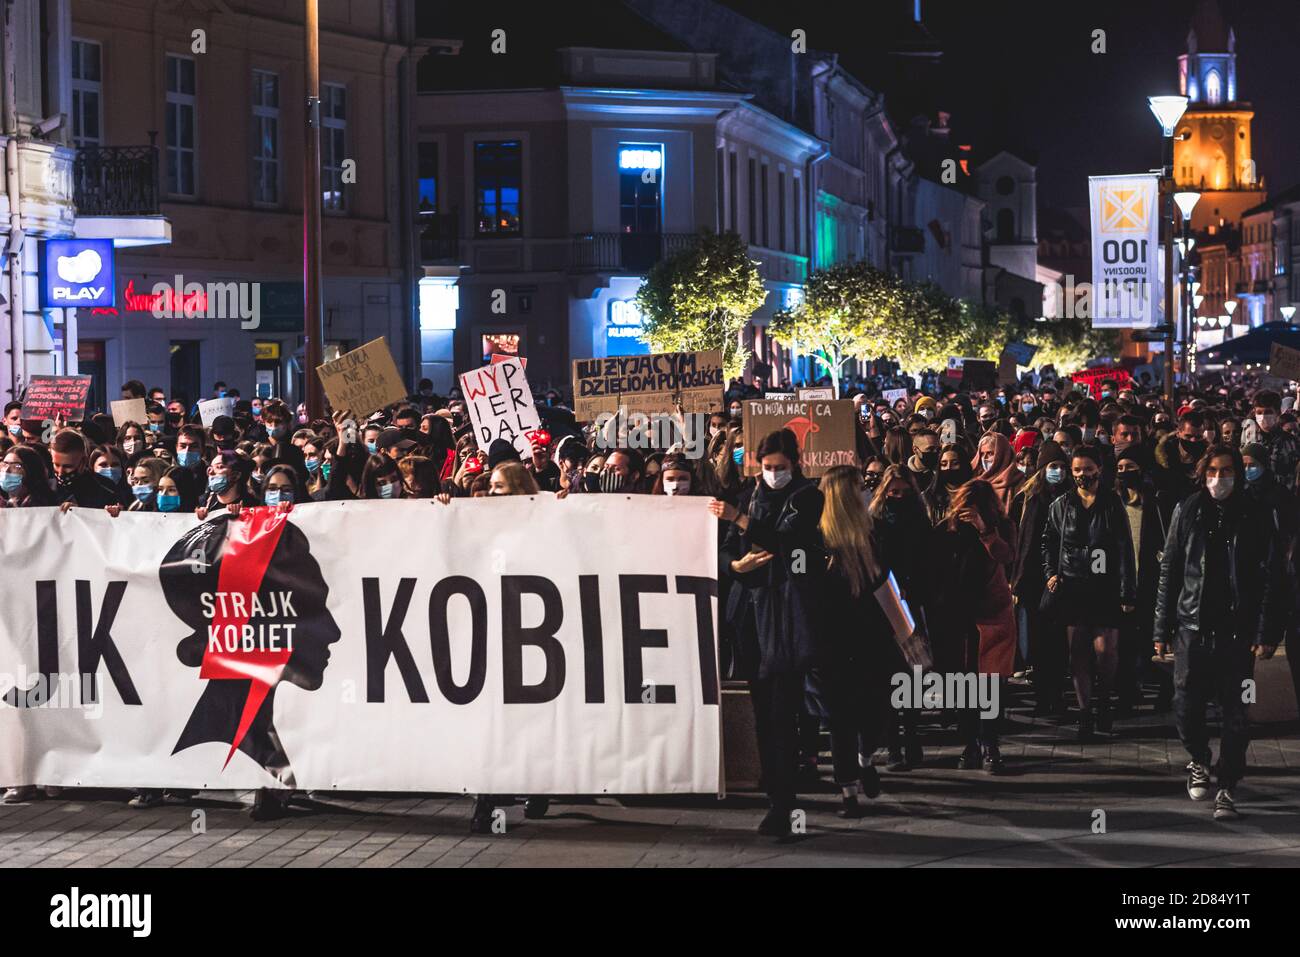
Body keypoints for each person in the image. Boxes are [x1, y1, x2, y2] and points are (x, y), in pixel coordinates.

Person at [1154, 444, 1283, 820]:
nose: (1219, 478)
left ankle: (1227, 785)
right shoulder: (1188, 509)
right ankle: (1198, 758)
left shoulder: (1257, 512)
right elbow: (1171, 569)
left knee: (1235, 713)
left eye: (1227, 471)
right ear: (1202, 471)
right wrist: (1161, 626)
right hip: (1192, 627)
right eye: (1213, 470)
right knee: (1185, 703)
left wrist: (1266, 630)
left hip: (1238, 632)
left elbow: (1273, 576)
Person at [711, 428, 825, 838]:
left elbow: (786, 541)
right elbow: (725, 547)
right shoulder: (748, 495)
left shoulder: (807, 498)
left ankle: (784, 802)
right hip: (749, 615)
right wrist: (734, 567)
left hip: (786, 615)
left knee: (782, 711)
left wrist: (741, 520)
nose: (772, 473)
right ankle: (775, 788)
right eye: (766, 467)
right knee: (762, 710)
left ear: (794, 464)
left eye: (780, 467)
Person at [814, 465, 895, 815]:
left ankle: (865, 759)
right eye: (860, 487)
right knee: (840, 719)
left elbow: (891, 584)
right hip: (831, 642)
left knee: (877, 710)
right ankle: (848, 790)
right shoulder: (817, 540)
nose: (867, 492)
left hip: (874, 638)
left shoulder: (876, 533)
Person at [1042, 446, 1136, 739]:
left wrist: (1126, 591)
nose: (1083, 474)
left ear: (1099, 469)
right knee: (1078, 652)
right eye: (1078, 469)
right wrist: (1051, 573)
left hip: (1104, 587)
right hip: (1072, 585)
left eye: (1088, 469)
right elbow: (1048, 540)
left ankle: (1105, 699)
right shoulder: (1061, 505)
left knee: (1105, 650)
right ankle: (1084, 711)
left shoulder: (1111, 504)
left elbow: (1124, 548)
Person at [932, 480, 1016, 773]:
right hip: (958, 615)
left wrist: (985, 531)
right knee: (964, 685)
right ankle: (971, 744)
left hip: (992, 615)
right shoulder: (947, 529)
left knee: (990, 685)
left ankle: (990, 744)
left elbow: (1007, 556)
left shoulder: (1000, 526)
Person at [1009, 441, 1070, 714]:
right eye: (1052, 467)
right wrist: (1018, 580)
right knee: (1039, 640)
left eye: (1061, 466)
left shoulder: (1069, 497)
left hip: (1062, 578)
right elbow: (1026, 543)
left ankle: (1054, 695)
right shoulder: (1032, 499)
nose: (1057, 471)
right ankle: (1045, 695)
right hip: (1036, 580)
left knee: (1056, 641)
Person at [49, 430, 119, 509]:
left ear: (83, 462)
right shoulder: (45, 489)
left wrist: (81, 513)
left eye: (68, 466)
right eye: (56, 465)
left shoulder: (105, 490)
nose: (60, 472)